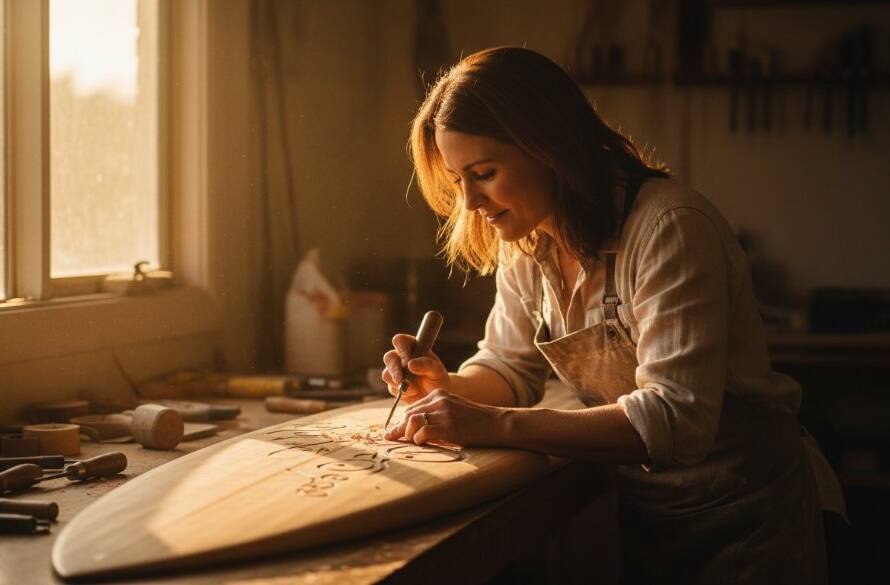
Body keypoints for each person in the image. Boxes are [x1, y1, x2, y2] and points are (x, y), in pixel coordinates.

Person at [381, 46, 840, 584]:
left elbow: (676, 418)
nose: (471, 204)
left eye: (483, 173)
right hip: (649, 514)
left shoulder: (669, 227)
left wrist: (495, 425)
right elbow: (508, 369)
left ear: (548, 147)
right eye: (459, 182)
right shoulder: (528, 243)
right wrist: (449, 387)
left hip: (750, 515)